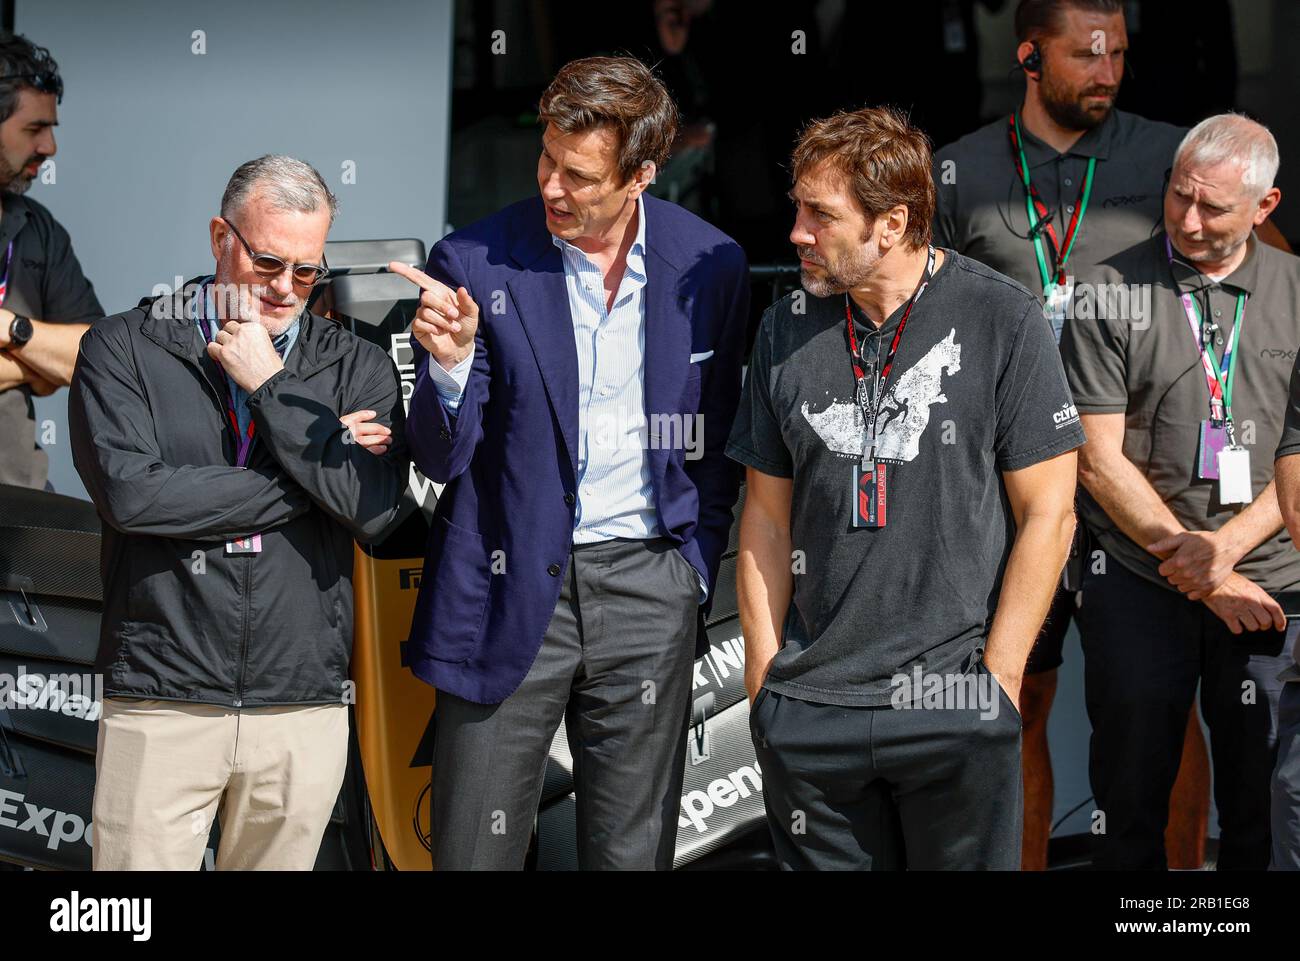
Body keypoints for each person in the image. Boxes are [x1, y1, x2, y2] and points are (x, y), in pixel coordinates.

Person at [399, 56, 749, 871]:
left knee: (631, 854)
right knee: (471, 854)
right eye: (546, 158)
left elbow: (719, 438)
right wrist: (447, 368)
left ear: (643, 174)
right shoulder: (476, 261)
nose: (552, 186)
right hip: (505, 581)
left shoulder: (713, 264)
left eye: (580, 174)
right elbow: (440, 454)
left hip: (649, 590)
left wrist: (691, 568)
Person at [728, 106, 1082, 870]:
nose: (796, 232)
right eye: (797, 208)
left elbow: (1050, 512)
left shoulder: (1001, 318)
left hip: (952, 703)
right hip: (813, 712)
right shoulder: (785, 325)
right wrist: (765, 684)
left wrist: (999, 683)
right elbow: (764, 514)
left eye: (820, 215)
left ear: (892, 224)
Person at [931, 0, 1210, 870]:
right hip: (1011, 484)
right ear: (1028, 55)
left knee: (1163, 706)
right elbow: (914, 306)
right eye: (1088, 54)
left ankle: (1182, 899)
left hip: (1141, 475)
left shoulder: (1171, 153)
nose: (1109, 71)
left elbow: (1260, 261)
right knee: (1018, 698)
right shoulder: (957, 171)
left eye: (1120, 52)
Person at [69, 155, 408, 870]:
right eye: (268, 261)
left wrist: (275, 387)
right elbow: (135, 497)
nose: (287, 288)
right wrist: (316, 470)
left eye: (308, 271)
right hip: (162, 695)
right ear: (221, 235)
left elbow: (377, 513)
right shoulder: (122, 346)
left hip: (302, 702)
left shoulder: (356, 364)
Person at [1061, 114, 1297, 870]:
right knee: (1128, 793)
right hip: (1139, 577)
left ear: (1266, 207)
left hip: (1269, 585)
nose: (1188, 219)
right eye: (1178, 195)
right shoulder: (1105, 291)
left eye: (1214, 208)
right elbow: (1095, 460)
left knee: (1260, 797)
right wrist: (1200, 570)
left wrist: (1224, 555)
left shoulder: (1297, 291)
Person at [0, 33, 102, 490]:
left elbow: (91, 356)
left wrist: (10, 331)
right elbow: (54, 367)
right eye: (34, 129)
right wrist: (37, 361)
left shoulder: (37, 227)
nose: (50, 147)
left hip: (20, 508)